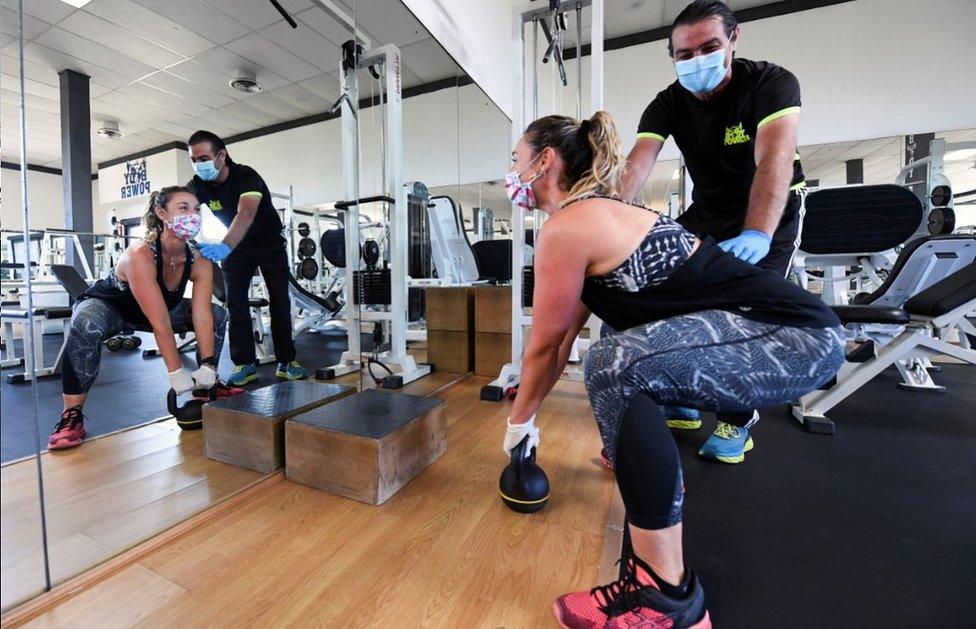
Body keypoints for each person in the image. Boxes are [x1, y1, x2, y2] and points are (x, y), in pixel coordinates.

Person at [500, 112, 843, 628]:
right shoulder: (593, 219)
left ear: (543, 161)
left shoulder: (570, 226)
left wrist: (515, 427)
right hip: (781, 332)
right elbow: (560, 339)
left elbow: (548, 347)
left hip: (792, 336)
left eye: (515, 159)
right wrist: (528, 421)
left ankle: (664, 598)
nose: (512, 170)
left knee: (613, 362)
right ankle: (649, 517)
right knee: (616, 349)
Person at [618, 0, 809, 464]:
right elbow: (635, 167)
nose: (695, 60)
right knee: (665, 292)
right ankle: (683, 395)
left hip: (771, 210)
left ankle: (737, 421)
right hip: (707, 211)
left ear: (733, 40)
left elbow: (775, 162)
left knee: (741, 314)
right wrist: (600, 217)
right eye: (683, 53)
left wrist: (758, 234)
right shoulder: (667, 103)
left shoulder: (769, 83)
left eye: (709, 47)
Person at [49, 187, 238, 450]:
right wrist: (175, 373)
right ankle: (72, 415)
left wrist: (207, 365)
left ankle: (208, 384)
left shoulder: (198, 260)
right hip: (112, 308)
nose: (192, 215)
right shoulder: (140, 254)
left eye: (196, 209)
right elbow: (159, 320)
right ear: (162, 214)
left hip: (158, 308)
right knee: (85, 322)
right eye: (183, 208)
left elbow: (202, 313)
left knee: (218, 313)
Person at [186, 130, 307, 386]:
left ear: (221, 155)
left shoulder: (246, 176)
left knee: (279, 301)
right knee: (235, 303)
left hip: (268, 243)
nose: (199, 165)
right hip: (238, 247)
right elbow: (184, 207)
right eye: (194, 160)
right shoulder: (198, 184)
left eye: (204, 158)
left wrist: (224, 246)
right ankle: (245, 363)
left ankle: (287, 360)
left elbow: (245, 215)